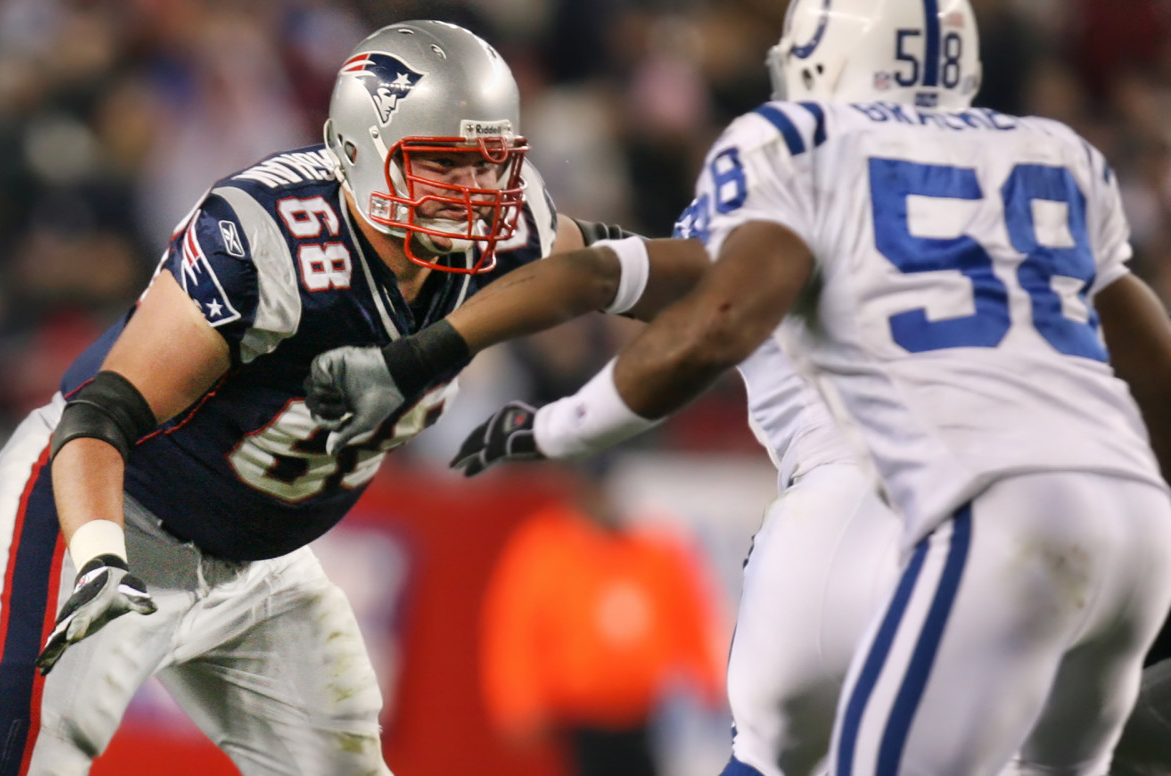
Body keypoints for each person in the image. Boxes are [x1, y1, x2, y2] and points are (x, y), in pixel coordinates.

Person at [308, 1, 1171, 774]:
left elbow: (676, 300)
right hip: (1100, 516)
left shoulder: (793, 159)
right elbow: (1153, 366)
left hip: (855, 517)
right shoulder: (1041, 166)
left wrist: (517, 393)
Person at [0, 19, 637, 775]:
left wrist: (742, 282)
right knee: (15, 762)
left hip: (259, 565)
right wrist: (96, 551)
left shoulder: (510, 236)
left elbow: (623, 267)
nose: (476, 194)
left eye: (490, 165)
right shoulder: (268, 237)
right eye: (446, 165)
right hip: (119, 516)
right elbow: (100, 416)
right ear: (365, 155)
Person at [481, 464, 725, 776]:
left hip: (642, 714)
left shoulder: (649, 549)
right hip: (577, 719)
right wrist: (518, 701)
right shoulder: (546, 548)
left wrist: (708, 682)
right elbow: (516, 629)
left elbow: (687, 618)